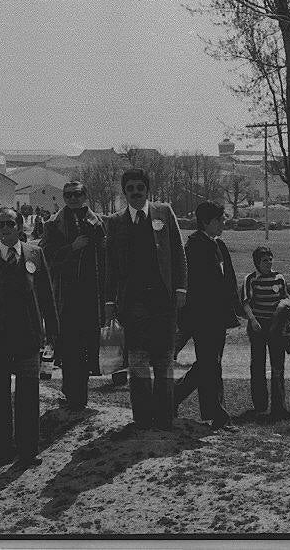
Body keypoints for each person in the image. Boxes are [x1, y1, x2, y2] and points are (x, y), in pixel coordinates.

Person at [0, 207, 59, 468]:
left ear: (20, 226)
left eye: (10, 223)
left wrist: (52, 331)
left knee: (28, 397)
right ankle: (2, 451)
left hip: (28, 340)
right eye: (0, 224)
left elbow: (46, 296)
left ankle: (28, 450)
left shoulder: (35, 254)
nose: (5, 228)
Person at [104, 168, 187, 431]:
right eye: (130, 188)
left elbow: (178, 252)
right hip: (133, 302)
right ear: (124, 192)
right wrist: (109, 299)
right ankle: (142, 418)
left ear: (147, 189)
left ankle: (164, 418)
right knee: (138, 361)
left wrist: (181, 288)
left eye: (140, 187)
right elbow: (110, 265)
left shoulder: (164, 212)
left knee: (163, 359)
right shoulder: (116, 222)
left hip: (162, 299)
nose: (136, 192)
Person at [41, 181, 120, 412]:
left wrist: (109, 298)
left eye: (77, 194)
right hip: (66, 295)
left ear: (85, 195)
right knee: (69, 346)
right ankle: (72, 395)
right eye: (68, 195)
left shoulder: (100, 223)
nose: (73, 199)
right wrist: (71, 248)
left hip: (92, 295)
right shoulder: (53, 225)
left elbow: (110, 260)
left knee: (87, 347)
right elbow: (45, 258)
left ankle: (79, 396)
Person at [174, 201, 241, 430]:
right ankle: (218, 415)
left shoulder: (218, 245)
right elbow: (197, 286)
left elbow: (228, 281)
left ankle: (172, 398)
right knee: (211, 364)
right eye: (219, 220)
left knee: (208, 364)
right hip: (202, 316)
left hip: (218, 316)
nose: (223, 223)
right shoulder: (194, 247)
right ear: (206, 222)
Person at [240, 246, 290, 421]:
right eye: (264, 260)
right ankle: (260, 405)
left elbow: (286, 298)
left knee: (278, 366)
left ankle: (279, 407)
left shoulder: (279, 278)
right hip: (257, 326)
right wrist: (253, 320)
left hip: (276, 326)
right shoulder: (251, 279)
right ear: (257, 262)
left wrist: (286, 317)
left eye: (270, 259)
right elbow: (246, 302)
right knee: (258, 365)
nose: (268, 263)